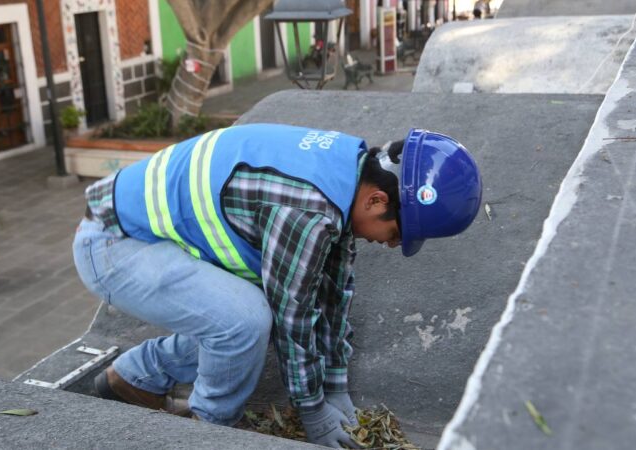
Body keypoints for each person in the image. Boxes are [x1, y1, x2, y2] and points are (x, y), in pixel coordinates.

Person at [72, 123, 482, 448]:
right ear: (377, 201)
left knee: (249, 318)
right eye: (397, 233)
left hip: (137, 235)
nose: (392, 244)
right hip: (112, 245)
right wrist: (312, 411)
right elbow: (294, 314)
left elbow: (334, 293)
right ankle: (206, 432)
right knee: (246, 321)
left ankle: (134, 378)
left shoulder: (346, 174)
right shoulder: (308, 208)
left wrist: (336, 384)